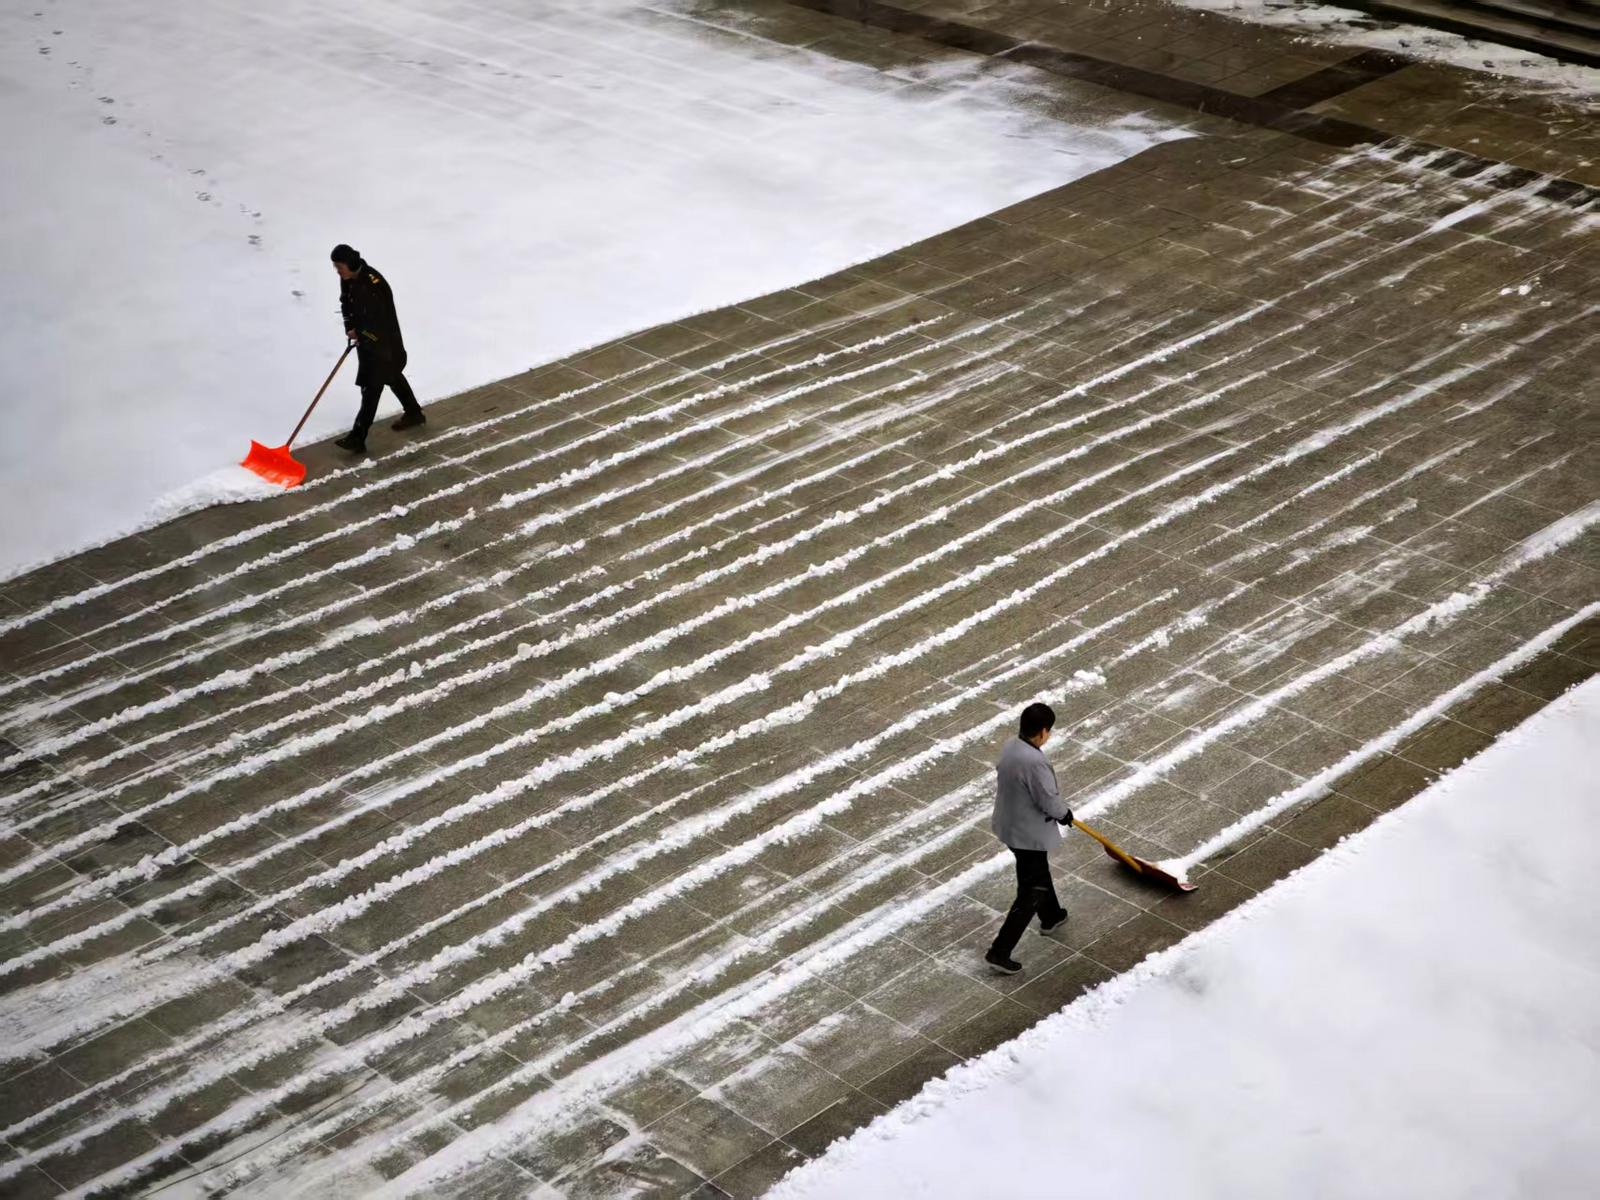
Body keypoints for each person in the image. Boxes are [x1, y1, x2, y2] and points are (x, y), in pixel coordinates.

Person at [984, 701, 1072, 975]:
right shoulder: (1034, 762)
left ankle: (1051, 915)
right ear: (1043, 731)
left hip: (1010, 825)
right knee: (1031, 890)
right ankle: (1000, 951)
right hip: (1027, 833)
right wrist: (1063, 813)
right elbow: (1047, 798)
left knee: (1036, 872)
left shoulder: (1012, 746)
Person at [330, 244, 425, 453]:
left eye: (339, 266)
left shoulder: (373, 285)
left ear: (351, 263)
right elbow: (346, 302)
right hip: (368, 343)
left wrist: (361, 334)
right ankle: (414, 413)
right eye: (335, 267)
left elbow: (380, 324)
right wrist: (350, 327)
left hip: (384, 345)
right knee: (392, 377)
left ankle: (358, 437)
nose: (338, 271)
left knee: (371, 388)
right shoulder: (348, 279)